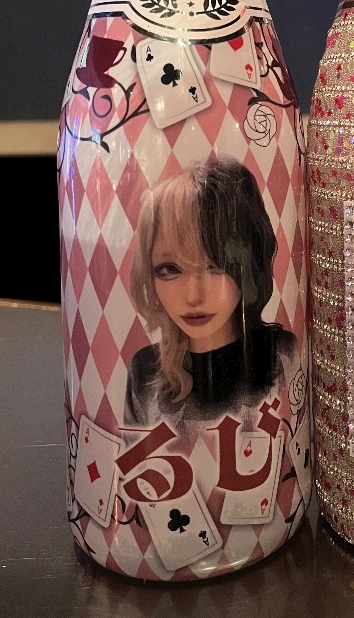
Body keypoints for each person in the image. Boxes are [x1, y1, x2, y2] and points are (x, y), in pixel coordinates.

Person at [125, 157, 297, 429]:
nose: (193, 296)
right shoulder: (145, 370)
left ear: (248, 264)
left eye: (216, 265)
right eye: (169, 269)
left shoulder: (282, 354)